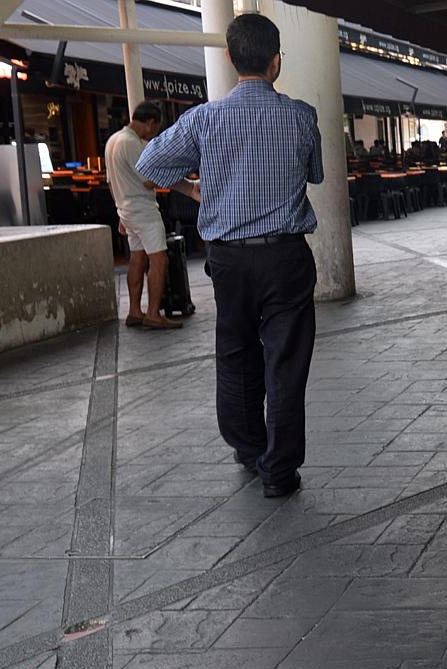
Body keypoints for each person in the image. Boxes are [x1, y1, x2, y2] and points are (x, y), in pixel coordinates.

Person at [137, 12, 321, 499]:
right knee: (286, 361)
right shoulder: (301, 116)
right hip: (286, 256)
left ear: (229, 58)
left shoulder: (204, 118)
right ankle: (279, 470)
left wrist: (191, 189)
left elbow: (148, 162)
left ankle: (248, 447)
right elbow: (316, 173)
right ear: (276, 61)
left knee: (236, 352)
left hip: (229, 259)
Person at [105, 101, 198, 329]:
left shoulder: (113, 140)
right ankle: (154, 313)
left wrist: (120, 212)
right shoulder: (132, 143)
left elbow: (110, 183)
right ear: (150, 123)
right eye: (155, 129)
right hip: (143, 210)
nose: (154, 135)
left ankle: (134, 311)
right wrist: (182, 180)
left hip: (126, 209)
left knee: (137, 259)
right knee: (159, 259)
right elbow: (148, 180)